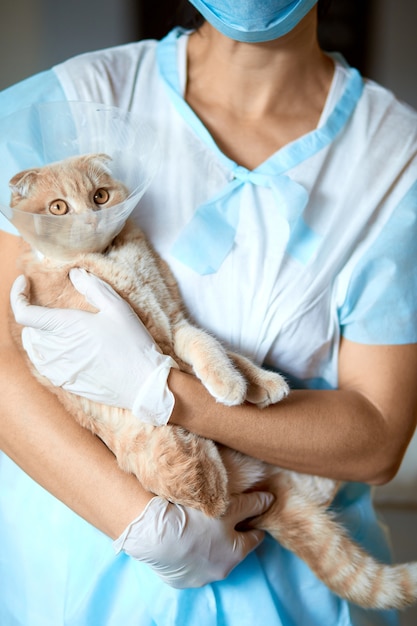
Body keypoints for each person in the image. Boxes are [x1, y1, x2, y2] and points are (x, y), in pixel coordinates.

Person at [1, 0, 417, 624]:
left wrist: (166, 392)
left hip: (289, 598)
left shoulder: (397, 157)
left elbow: (377, 436)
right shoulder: (71, 102)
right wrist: (144, 525)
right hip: (78, 583)